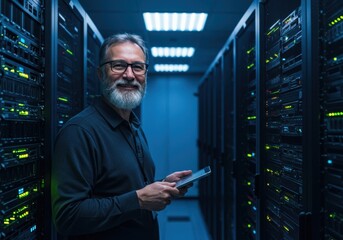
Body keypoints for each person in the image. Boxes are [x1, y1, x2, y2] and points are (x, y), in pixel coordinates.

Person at [51, 33, 193, 240]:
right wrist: (138, 200)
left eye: (137, 67)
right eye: (118, 65)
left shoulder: (133, 125)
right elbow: (67, 216)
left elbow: (123, 187)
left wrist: (163, 185)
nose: (129, 75)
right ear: (100, 74)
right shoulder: (80, 132)